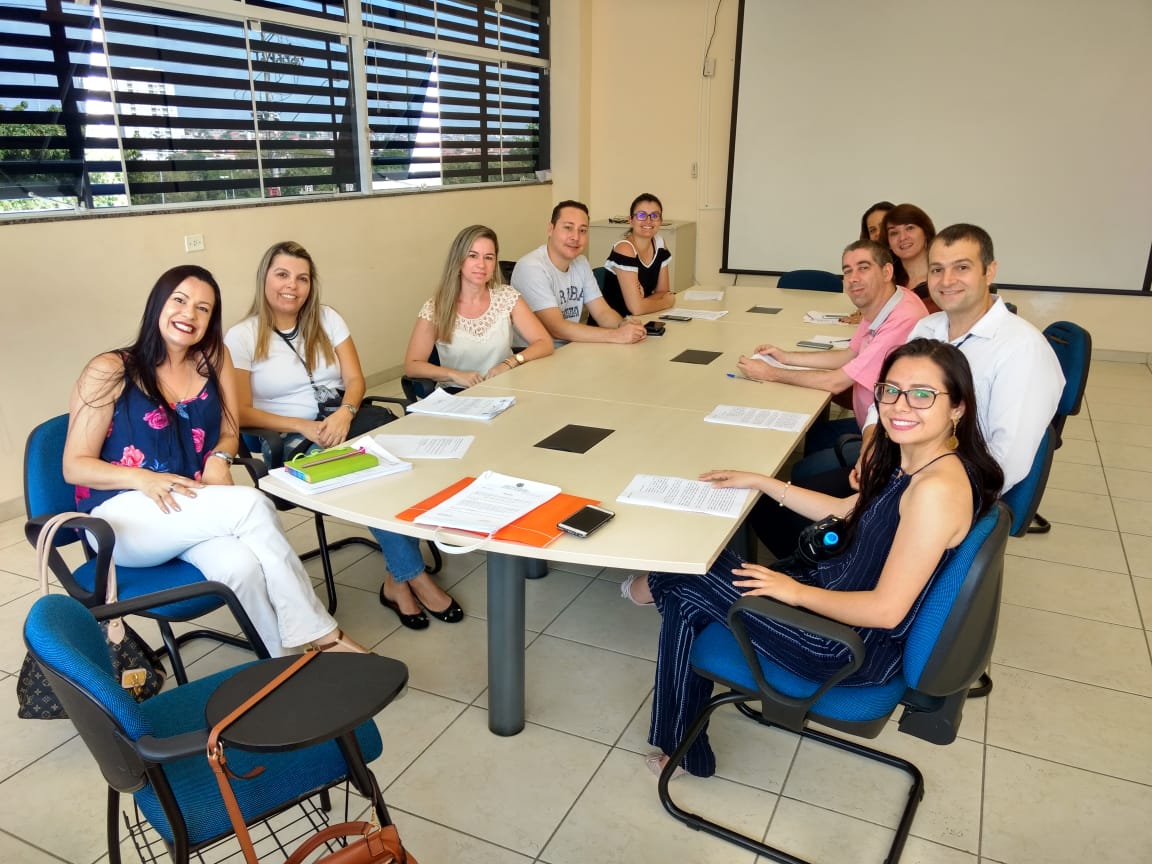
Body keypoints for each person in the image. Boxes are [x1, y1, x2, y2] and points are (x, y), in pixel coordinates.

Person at [624, 339, 1004, 778]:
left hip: (840, 646)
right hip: (835, 608)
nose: (901, 405)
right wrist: (763, 482)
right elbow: (848, 509)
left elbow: (886, 610)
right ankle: (684, 749)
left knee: (688, 571)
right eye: (891, 390)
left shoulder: (935, 491)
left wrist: (794, 592)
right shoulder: (920, 461)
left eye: (922, 394)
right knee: (688, 591)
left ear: (957, 407)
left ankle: (648, 588)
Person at [63, 264, 367, 657]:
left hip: (191, 504)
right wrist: (143, 479)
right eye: (179, 300)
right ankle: (324, 635)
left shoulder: (214, 359)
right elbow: (75, 465)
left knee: (240, 568)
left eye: (203, 308)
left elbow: (229, 430)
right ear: (158, 304)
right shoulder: (110, 370)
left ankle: (284, 664)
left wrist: (221, 457)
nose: (189, 314)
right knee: (253, 504)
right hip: (121, 519)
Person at [752, 223, 1064, 559]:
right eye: (937, 269)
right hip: (897, 468)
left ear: (989, 271)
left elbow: (1005, 462)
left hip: (939, 496)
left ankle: (831, 572)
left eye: (961, 267)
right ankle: (819, 565)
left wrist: (904, 498)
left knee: (782, 514)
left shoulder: (1022, 349)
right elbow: (885, 395)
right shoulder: (928, 327)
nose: (946, 280)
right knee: (768, 507)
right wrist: (871, 447)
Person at [226, 241, 461, 631]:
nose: (292, 286)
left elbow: (355, 380)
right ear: (264, 279)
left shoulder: (327, 319)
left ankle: (397, 580)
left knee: (405, 464)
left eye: (302, 278)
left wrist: (345, 412)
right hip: (295, 442)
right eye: (282, 275)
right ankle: (413, 576)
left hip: (346, 422)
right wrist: (303, 425)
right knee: (374, 474)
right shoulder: (242, 336)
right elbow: (241, 411)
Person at [737, 240, 927, 472]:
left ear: (887, 272)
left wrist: (771, 373)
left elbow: (837, 382)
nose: (853, 278)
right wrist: (786, 358)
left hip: (892, 440)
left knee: (803, 470)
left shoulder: (903, 317)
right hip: (873, 423)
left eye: (863, 268)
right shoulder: (887, 300)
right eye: (847, 271)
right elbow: (849, 355)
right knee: (815, 435)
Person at [404, 224, 553, 389]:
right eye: (473, 256)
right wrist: (453, 374)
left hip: (505, 387)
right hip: (458, 393)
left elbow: (544, 343)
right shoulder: (436, 308)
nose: (481, 265)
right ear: (458, 260)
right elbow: (412, 365)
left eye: (488, 257)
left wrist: (510, 362)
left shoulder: (507, 297)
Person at [511, 200, 648, 346]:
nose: (575, 237)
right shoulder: (531, 267)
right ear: (551, 229)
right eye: (568, 228)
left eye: (582, 230)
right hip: (535, 354)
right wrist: (617, 335)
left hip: (571, 348)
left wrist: (623, 325)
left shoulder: (580, 262)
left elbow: (602, 312)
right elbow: (556, 328)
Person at [600, 193, 675, 317]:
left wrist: (642, 303)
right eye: (641, 215)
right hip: (614, 323)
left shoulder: (660, 244)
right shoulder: (624, 248)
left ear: (660, 221)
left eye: (655, 215)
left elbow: (663, 292)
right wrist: (666, 303)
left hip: (642, 318)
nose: (648, 220)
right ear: (630, 220)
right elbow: (636, 308)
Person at [882, 203, 938, 312]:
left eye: (910, 228)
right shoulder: (889, 285)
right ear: (888, 243)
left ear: (926, 232)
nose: (902, 237)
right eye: (894, 233)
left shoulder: (944, 278)